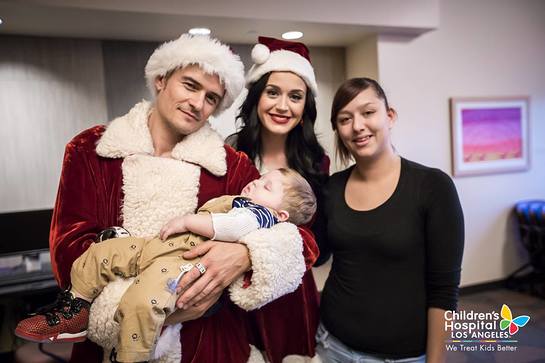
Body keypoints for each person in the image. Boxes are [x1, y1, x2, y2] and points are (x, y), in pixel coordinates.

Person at [41, 33, 319, 363]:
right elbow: (69, 252)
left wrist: (246, 255)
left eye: (212, 98)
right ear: (161, 79)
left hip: (209, 346)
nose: (198, 103)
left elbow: (299, 239)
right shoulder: (91, 150)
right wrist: (147, 310)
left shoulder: (230, 165)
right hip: (106, 343)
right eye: (190, 85)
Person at [16, 168, 316, 362]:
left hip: (183, 262)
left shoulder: (259, 215)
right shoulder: (245, 201)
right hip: (160, 247)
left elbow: (233, 227)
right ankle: (75, 309)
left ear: (281, 214)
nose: (256, 182)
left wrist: (188, 220)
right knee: (102, 253)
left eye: (267, 186)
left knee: (142, 300)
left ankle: (132, 357)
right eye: (261, 178)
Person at [315, 77, 464, 363]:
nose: (357, 125)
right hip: (330, 345)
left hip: (401, 357)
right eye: (345, 119)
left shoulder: (432, 186)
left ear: (390, 116)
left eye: (368, 113)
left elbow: (444, 292)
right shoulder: (331, 188)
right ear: (338, 129)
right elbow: (318, 255)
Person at [226, 36, 329, 362]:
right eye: (273, 93)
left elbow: (321, 246)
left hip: (292, 296)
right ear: (257, 97)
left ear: (304, 109)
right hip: (235, 293)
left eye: (295, 97)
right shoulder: (231, 155)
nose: (283, 106)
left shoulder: (317, 162)